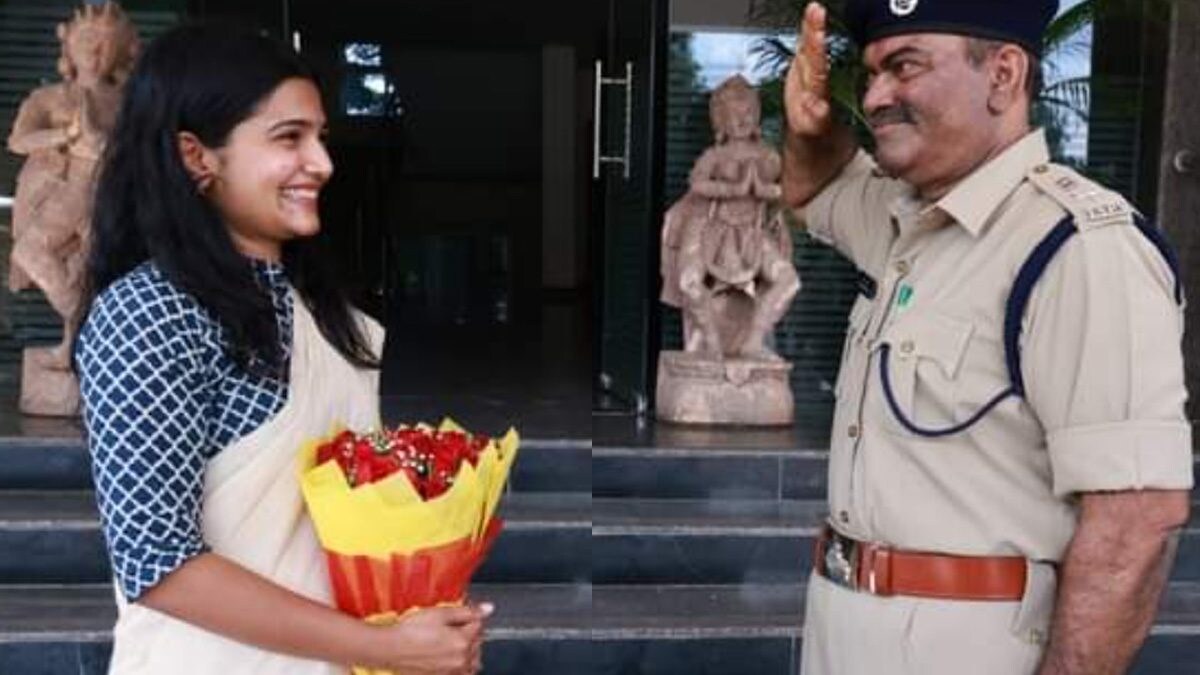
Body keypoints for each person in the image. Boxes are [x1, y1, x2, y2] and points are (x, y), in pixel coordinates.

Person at [781, 1, 1192, 673]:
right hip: (842, 637)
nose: (877, 96)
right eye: (872, 73)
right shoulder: (905, 223)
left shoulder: (1078, 249)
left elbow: (1136, 520)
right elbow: (813, 187)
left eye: (905, 65)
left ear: (1003, 75)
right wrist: (811, 126)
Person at [74, 24, 489, 675]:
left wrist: (416, 615)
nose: (322, 162)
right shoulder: (149, 313)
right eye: (288, 138)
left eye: (320, 136)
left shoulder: (320, 309)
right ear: (196, 156)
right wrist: (384, 646)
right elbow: (158, 563)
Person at [8, 1, 138, 367]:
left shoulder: (127, 101)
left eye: (105, 42)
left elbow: (142, 147)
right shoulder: (48, 98)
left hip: (106, 192)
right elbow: (19, 140)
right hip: (66, 188)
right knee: (36, 254)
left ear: (123, 48)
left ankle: (76, 339)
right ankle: (84, 330)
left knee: (85, 266)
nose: (95, 51)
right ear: (67, 45)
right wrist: (64, 134)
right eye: (87, 40)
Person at [662, 75, 798, 360]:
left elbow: (790, 189)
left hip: (752, 233)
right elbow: (697, 183)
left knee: (788, 281)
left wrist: (765, 190)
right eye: (734, 114)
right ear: (720, 120)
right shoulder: (714, 155)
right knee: (689, 282)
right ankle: (710, 341)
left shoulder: (768, 155)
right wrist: (733, 189)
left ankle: (754, 339)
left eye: (748, 112)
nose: (743, 119)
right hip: (710, 228)